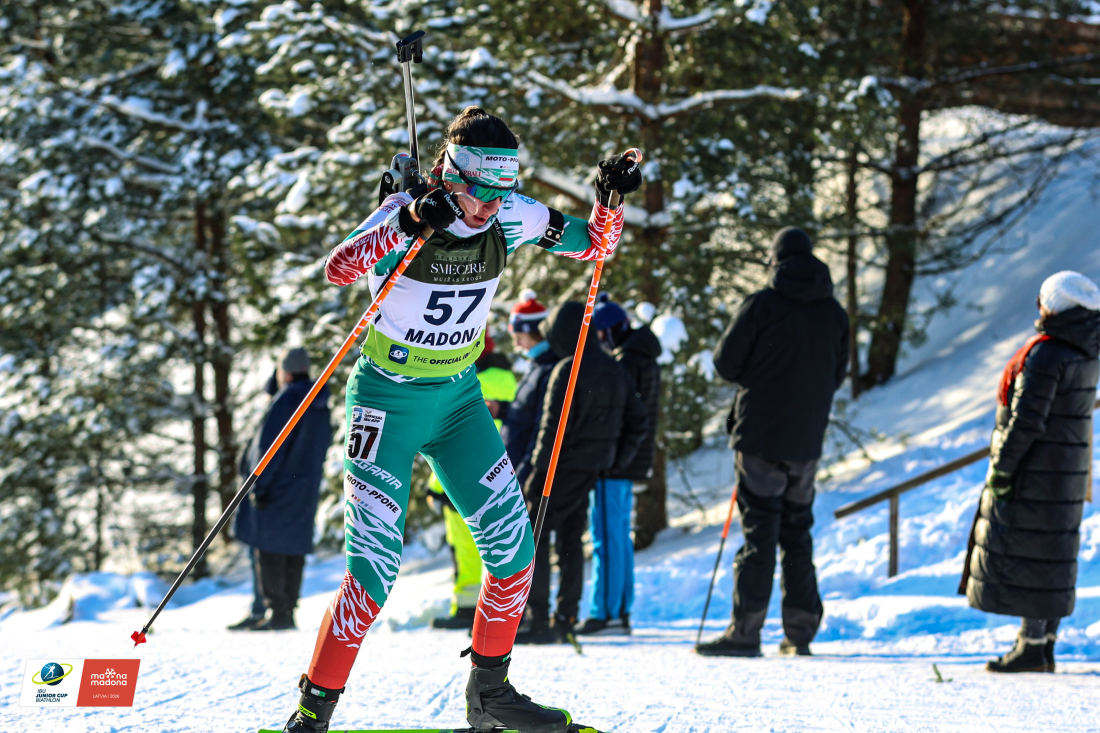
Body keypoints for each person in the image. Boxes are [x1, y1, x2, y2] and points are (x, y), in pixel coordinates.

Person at [280, 106, 639, 733]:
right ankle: (312, 714)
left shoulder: (513, 215)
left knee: (515, 552)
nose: (490, 207)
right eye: (480, 193)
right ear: (452, 177)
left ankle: (490, 696)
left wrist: (608, 201)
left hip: (458, 401)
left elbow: (596, 246)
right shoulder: (406, 214)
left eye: (502, 193)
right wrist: (408, 220)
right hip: (386, 402)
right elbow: (339, 268)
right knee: (372, 572)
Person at [697, 227, 848, 658]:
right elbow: (838, 375)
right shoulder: (834, 313)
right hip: (806, 441)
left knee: (760, 531)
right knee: (797, 531)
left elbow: (726, 364)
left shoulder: (762, 304)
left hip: (760, 437)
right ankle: (800, 633)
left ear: (775, 260)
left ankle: (746, 632)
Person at [964, 271, 1100, 674]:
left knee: (1034, 555)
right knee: (1050, 554)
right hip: (1067, 472)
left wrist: (1003, 469)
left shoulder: (1047, 354)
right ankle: (1041, 645)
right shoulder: (1086, 351)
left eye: (1043, 300)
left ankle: (1032, 648)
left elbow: (1026, 420)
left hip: (1037, 470)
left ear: (1054, 306)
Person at [516, 301, 648, 644]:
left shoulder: (567, 369)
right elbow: (639, 421)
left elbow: (550, 429)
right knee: (571, 537)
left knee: (534, 535)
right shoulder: (614, 367)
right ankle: (566, 616)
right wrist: (614, 459)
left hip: (561, 467)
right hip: (591, 469)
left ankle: (538, 618)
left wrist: (535, 475)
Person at [575, 294, 661, 637]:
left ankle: (607, 612)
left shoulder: (626, 361)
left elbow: (619, 415)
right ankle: (620, 608)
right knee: (618, 537)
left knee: (606, 537)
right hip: (630, 460)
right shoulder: (643, 357)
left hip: (615, 462)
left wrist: (608, 456)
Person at [236, 348, 333, 632]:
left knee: (268, 548)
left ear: (286, 372)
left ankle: (276, 611)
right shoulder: (318, 403)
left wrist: (259, 484)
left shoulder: (287, 399)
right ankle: (286, 611)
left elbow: (270, 446)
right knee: (292, 550)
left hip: (277, 486)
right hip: (304, 487)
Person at [430, 337, 518, 630]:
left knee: (465, 550)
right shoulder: (508, 382)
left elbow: (448, 439)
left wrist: (435, 486)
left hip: (460, 477)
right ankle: (498, 611)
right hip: (497, 475)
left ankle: (468, 608)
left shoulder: (464, 380)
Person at [229, 373, 282, 631]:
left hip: (265, 497)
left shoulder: (279, 411)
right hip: (259, 494)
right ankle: (258, 608)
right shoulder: (273, 411)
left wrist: (258, 488)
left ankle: (262, 608)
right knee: (256, 556)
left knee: (262, 557)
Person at [501, 291, 555, 491]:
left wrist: (525, 472)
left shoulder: (550, 369)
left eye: (519, 337)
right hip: (515, 466)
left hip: (525, 474)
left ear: (536, 333)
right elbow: (527, 413)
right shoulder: (536, 365)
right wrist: (502, 409)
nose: (516, 345)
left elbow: (543, 426)